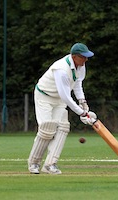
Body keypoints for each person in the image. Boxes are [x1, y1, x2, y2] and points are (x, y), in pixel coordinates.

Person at [28, 43, 97, 174]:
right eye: (84, 57)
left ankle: (50, 164)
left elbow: (77, 84)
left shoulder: (81, 66)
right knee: (47, 129)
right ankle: (34, 163)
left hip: (58, 100)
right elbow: (65, 96)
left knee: (63, 127)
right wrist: (81, 113)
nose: (86, 60)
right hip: (44, 96)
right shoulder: (61, 69)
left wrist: (83, 103)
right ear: (75, 57)